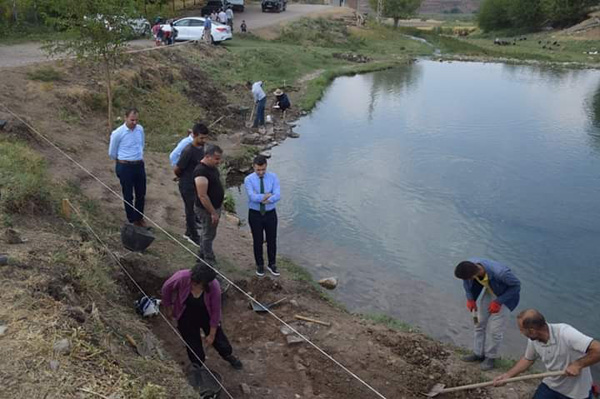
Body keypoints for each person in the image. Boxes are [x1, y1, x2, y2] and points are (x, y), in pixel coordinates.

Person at [493, 309, 600, 399]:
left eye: (521, 329)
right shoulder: (533, 339)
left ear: (532, 330)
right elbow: (528, 359)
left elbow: (598, 349)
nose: (521, 332)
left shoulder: (566, 333)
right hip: (551, 385)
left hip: (576, 392)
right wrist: (507, 376)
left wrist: (578, 364)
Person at [161, 263, 243, 370]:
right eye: (193, 282)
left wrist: (212, 335)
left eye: (197, 284)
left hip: (206, 315)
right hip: (186, 314)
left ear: (206, 284)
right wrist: (168, 307)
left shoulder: (214, 287)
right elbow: (166, 288)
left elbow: (215, 312)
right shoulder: (182, 277)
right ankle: (197, 364)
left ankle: (228, 355)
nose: (194, 285)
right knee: (192, 342)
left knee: (219, 339)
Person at [454, 258, 521, 370]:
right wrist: (470, 299)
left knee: (495, 330)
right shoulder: (470, 266)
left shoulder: (501, 273)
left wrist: (498, 302)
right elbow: (466, 284)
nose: (466, 280)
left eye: (467, 278)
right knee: (479, 323)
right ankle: (478, 353)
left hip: (505, 297)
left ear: (472, 275)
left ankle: (490, 358)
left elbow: (516, 286)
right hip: (490, 291)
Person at [108, 108, 147, 227]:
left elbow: (142, 144)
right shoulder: (118, 133)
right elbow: (112, 152)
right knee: (128, 194)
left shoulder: (140, 129)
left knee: (141, 193)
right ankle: (131, 219)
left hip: (138, 164)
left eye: (136, 120)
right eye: (132, 120)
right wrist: (121, 161)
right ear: (125, 118)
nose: (134, 123)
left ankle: (139, 217)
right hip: (125, 165)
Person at [244, 155, 281, 277]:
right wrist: (266, 196)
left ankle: (272, 264)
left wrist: (267, 199)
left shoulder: (273, 177)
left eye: (263, 169)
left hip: (270, 214)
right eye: (258, 170)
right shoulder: (248, 179)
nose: (261, 172)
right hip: (255, 214)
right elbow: (252, 197)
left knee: (272, 239)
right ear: (253, 167)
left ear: (266, 167)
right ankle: (259, 265)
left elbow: (277, 195)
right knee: (257, 240)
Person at [174, 123, 210, 246]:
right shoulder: (188, 150)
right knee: (190, 210)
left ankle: (190, 230)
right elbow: (177, 169)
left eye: (205, 138)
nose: (204, 141)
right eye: (201, 138)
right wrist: (184, 178)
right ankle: (192, 235)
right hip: (187, 184)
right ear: (194, 135)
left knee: (194, 209)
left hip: (196, 184)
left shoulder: (201, 148)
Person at [194, 144, 224, 265]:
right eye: (216, 158)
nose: (219, 161)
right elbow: (202, 195)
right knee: (207, 234)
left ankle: (201, 254)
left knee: (209, 233)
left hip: (214, 207)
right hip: (206, 210)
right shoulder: (201, 171)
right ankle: (208, 260)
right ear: (207, 156)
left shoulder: (211, 167)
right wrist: (213, 212)